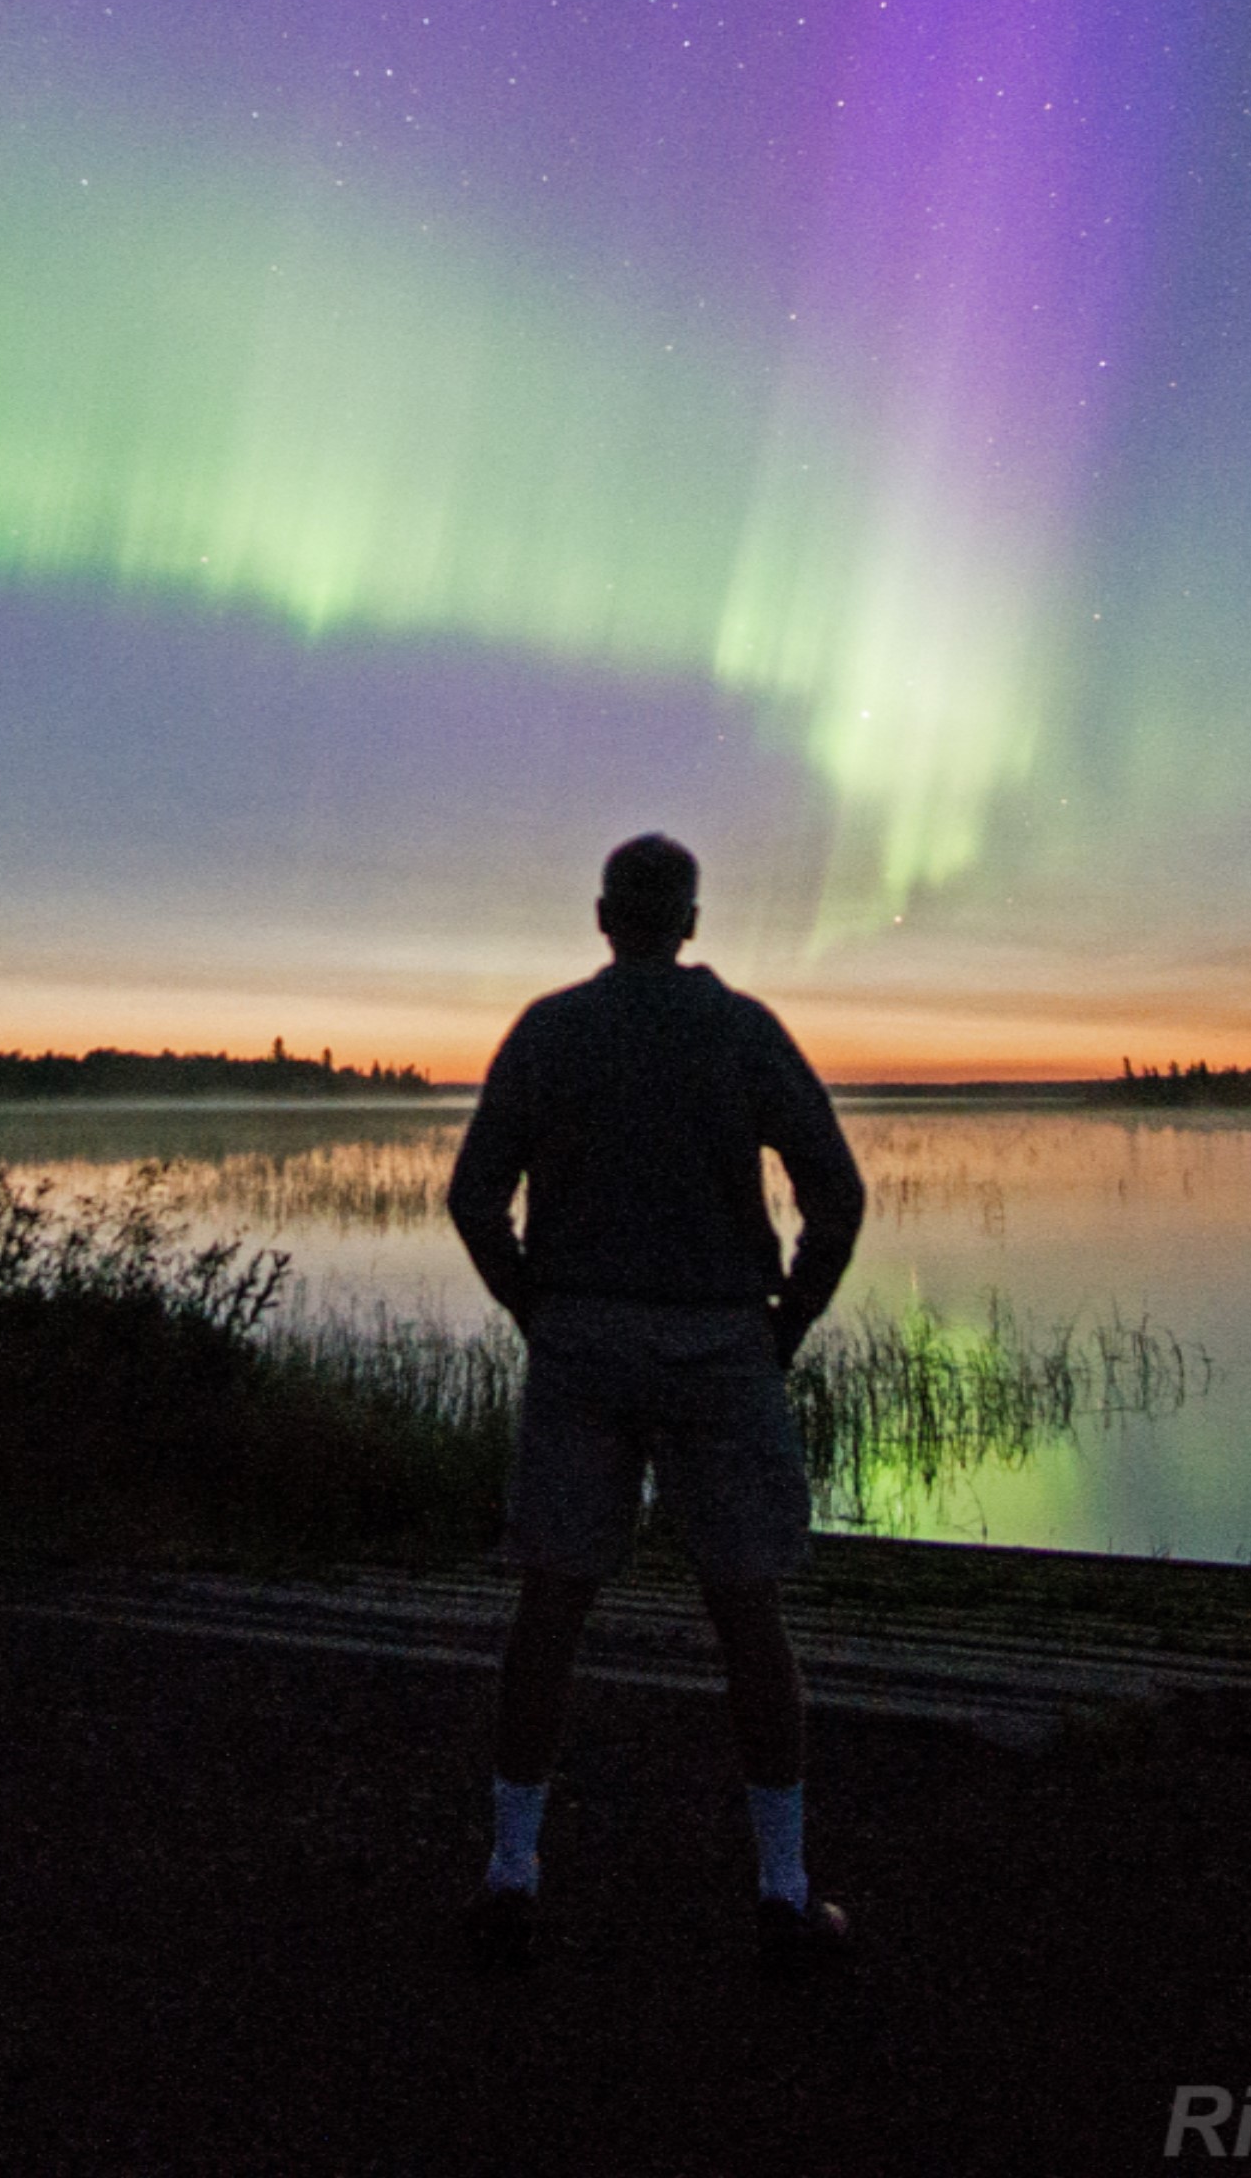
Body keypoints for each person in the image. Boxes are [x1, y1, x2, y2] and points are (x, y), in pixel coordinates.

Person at [443, 830, 868, 1973]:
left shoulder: (548, 1033)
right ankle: (782, 1892)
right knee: (747, 1611)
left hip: (582, 1333)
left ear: (600, 917)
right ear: (688, 921)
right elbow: (836, 1193)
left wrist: (539, 1311)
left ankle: (511, 1873)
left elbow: (474, 1199)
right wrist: (783, 1329)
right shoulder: (740, 1031)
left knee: (551, 1605)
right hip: (719, 1340)